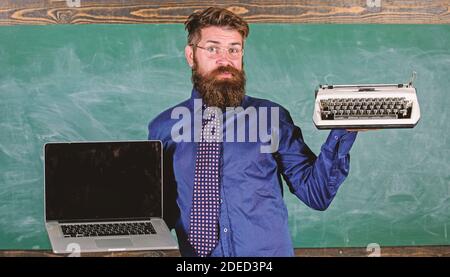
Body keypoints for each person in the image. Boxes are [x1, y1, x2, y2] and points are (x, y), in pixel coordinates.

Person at [148, 7, 358, 257]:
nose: (225, 59)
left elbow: (317, 194)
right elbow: (160, 215)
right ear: (191, 55)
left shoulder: (272, 118)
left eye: (233, 49)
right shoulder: (164, 128)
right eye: (213, 48)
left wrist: (343, 130)